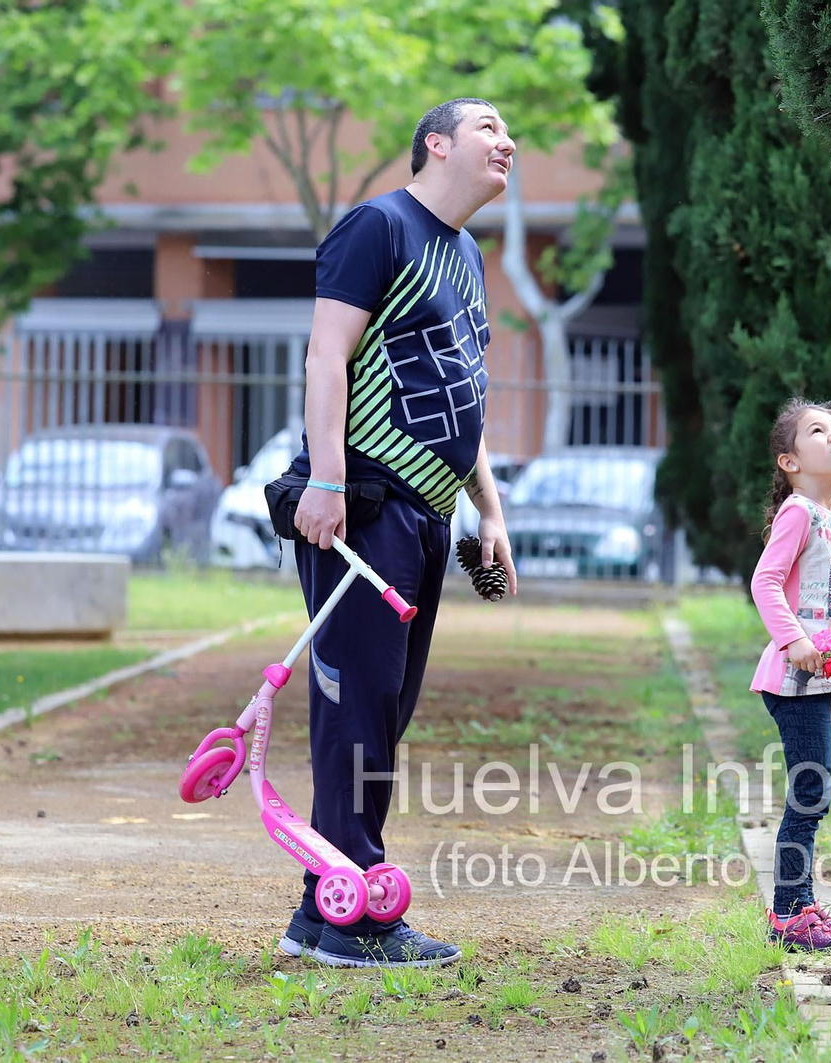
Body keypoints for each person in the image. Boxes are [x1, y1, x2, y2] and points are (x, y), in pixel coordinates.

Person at [278, 97, 519, 968]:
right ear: (437, 143)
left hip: (429, 515)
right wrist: (329, 477)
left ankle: (326, 906)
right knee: (355, 714)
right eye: (491, 128)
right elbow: (325, 354)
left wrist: (488, 508)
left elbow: (463, 391)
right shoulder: (376, 227)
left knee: (384, 715)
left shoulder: (465, 255)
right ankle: (352, 917)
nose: (509, 143)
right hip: (363, 512)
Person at [749, 398, 831, 951]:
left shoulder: (825, 519)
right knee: (810, 792)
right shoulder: (798, 512)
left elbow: (830, 610)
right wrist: (792, 640)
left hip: (815, 681)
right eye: (817, 431)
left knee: (812, 791)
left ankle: (802, 904)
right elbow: (765, 582)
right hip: (791, 678)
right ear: (789, 461)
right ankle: (789, 914)